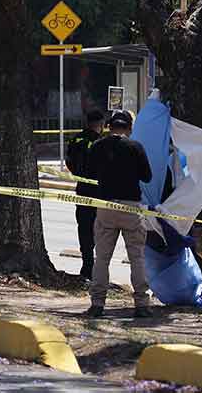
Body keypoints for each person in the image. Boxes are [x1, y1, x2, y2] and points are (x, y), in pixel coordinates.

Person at [85, 110, 153, 318]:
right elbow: (147, 177)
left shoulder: (98, 146)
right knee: (137, 258)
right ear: (129, 128)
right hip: (131, 207)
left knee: (102, 258)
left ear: (109, 126)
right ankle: (142, 304)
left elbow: (88, 171)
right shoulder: (135, 147)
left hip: (106, 206)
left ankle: (97, 304)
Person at [66, 110, 105, 280]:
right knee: (101, 230)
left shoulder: (76, 139)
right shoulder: (101, 143)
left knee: (84, 228)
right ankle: (98, 268)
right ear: (101, 124)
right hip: (99, 191)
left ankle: (87, 265)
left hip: (82, 188)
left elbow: (69, 162)